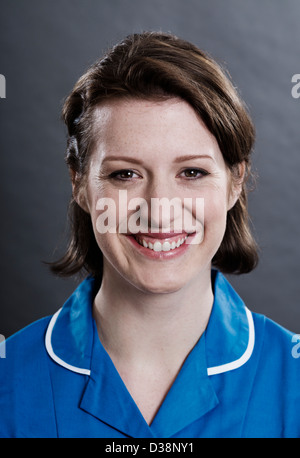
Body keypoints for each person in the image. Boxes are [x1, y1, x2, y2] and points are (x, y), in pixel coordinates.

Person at [0, 31, 299, 439]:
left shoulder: (292, 380)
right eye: (125, 174)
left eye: (192, 172)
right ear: (80, 185)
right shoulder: (7, 378)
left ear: (234, 182)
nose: (160, 208)